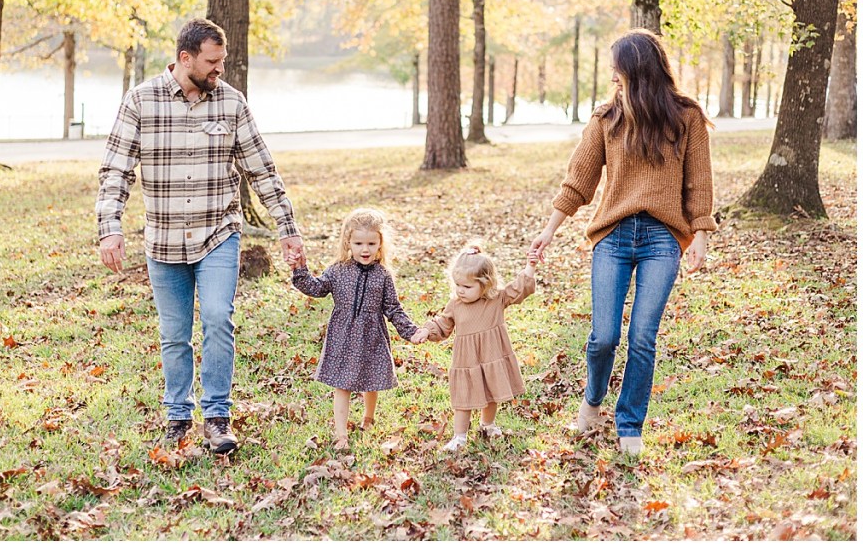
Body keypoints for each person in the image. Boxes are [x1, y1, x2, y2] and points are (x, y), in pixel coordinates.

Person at [96, 17, 304, 455]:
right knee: (174, 333)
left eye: (222, 62)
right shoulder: (140, 101)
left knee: (216, 317)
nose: (219, 70)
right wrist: (110, 228)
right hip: (165, 240)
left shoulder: (231, 103)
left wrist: (288, 228)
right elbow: (116, 169)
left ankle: (216, 417)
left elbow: (262, 170)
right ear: (184, 58)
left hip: (218, 234)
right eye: (212, 62)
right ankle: (177, 417)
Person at [528, 28, 715, 457]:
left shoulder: (686, 118)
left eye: (618, 71)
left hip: (661, 239)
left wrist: (700, 235)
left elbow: (698, 183)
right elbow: (579, 179)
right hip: (612, 237)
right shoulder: (606, 118)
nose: (613, 78)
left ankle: (630, 423)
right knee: (604, 337)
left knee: (643, 337)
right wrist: (549, 229)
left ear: (638, 71)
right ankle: (593, 400)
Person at [290, 208, 426, 450]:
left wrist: (411, 331)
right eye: (359, 243)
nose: (365, 249)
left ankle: (368, 417)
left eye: (371, 243)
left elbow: (393, 308)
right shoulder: (337, 270)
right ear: (348, 243)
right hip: (343, 337)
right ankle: (341, 434)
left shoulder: (383, 275)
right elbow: (317, 288)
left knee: (370, 381)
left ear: (380, 244)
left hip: (371, 335)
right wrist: (300, 269)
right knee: (341, 385)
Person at [411, 244, 539, 451]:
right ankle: (459, 436)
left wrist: (530, 266)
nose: (460, 290)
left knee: (491, 392)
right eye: (457, 285)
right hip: (466, 360)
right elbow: (443, 324)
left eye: (467, 287)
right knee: (464, 397)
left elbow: (518, 290)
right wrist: (426, 331)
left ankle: (487, 424)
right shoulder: (456, 305)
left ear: (486, 284)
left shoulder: (497, 299)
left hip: (491, 356)